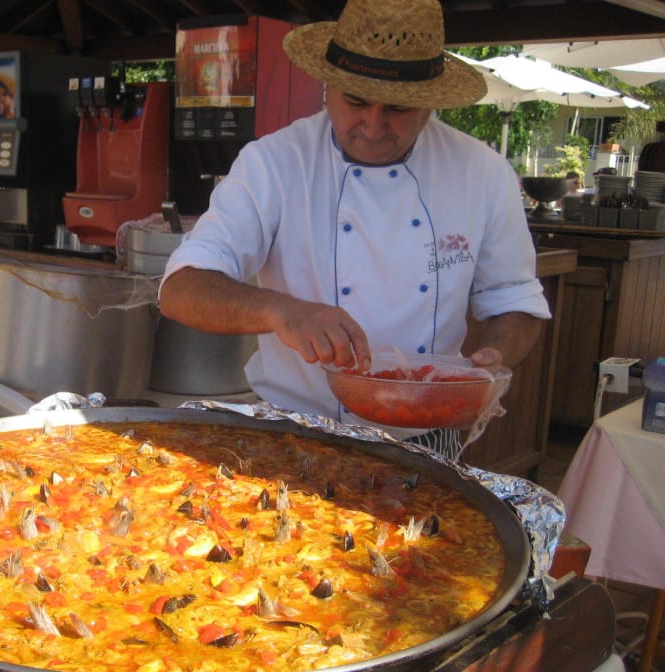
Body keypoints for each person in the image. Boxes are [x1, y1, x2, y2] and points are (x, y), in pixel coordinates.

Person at [158, 0, 551, 456]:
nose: (373, 125)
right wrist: (280, 311)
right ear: (328, 88)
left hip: (426, 435)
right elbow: (180, 289)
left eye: (399, 108)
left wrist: (495, 358)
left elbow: (515, 299)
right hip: (294, 432)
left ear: (430, 104)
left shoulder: (481, 172)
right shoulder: (275, 163)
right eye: (356, 101)